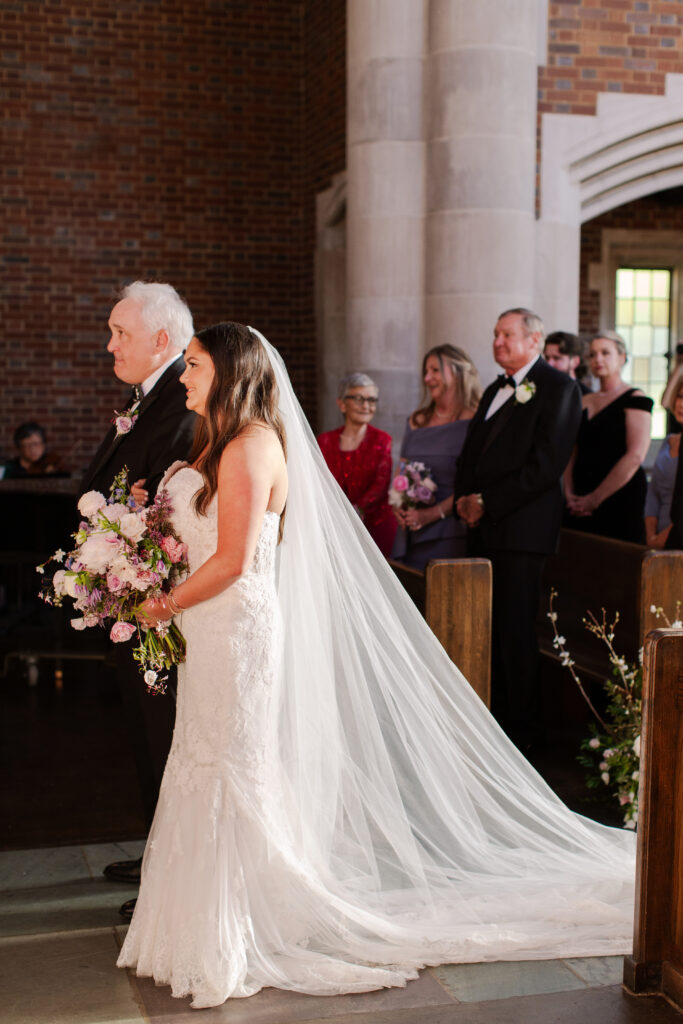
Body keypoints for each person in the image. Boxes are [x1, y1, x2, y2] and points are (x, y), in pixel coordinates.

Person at [117, 322, 634, 1009]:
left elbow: (236, 560)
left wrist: (161, 605)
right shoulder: (215, 444)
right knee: (202, 758)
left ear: (232, 375)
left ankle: (241, 918)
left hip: (235, 629)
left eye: (195, 365)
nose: (183, 377)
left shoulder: (250, 447)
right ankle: (197, 917)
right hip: (209, 628)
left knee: (230, 763)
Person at [81, 280, 197, 907]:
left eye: (119, 333)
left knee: (167, 737)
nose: (109, 345)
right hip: (133, 603)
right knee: (146, 735)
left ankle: (174, 877)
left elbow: (163, 512)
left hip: (162, 610)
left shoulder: (183, 406)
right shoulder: (145, 400)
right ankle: (161, 851)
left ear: (161, 340)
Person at [454, 309, 582, 751]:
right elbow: (472, 451)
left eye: (507, 335)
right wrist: (462, 497)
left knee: (514, 630)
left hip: (523, 533)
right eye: (494, 335)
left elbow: (547, 466)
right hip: (482, 528)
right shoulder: (495, 387)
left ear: (534, 339)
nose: (498, 342)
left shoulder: (560, 388)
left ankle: (521, 736)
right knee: (486, 628)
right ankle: (489, 723)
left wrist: (487, 501)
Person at [392, 345, 481, 571]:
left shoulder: (476, 422)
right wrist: (398, 506)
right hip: (411, 531)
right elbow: (402, 471)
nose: (427, 378)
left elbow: (473, 482)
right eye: (426, 371)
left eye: (435, 370)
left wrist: (431, 514)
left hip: (451, 531)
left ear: (458, 372)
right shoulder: (417, 420)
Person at [564, 331, 652, 544]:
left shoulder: (636, 399)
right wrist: (568, 493)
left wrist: (595, 499)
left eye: (605, 353)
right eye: (593, 354)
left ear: (622, 358)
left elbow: (635, 455)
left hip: (619, 495)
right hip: (579, 494)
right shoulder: (583, 399)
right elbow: (571, 449)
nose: (598, 359)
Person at [317, 373, 396, 556]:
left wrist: (354, 511)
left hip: (375, 525)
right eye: (359, 399)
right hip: (335, 524)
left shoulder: (382, 439)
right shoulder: (324, 441)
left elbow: (381, 485)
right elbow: (320, 482)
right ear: (342, 404)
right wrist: (337, 514)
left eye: (371, 400)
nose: (366, 406)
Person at [645, 375, 683, 548]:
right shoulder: (669, 441)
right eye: (680, 397)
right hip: (657, 536)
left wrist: (662, 539)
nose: (681, 404)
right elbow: (653, 493)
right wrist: (650, 535)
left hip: (676, 537)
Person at [2, 422, 68, 478]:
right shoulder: (9, 469)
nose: (32, 449)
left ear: (43, 444)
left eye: (36, 444)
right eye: (27, 445)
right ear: (19, 447)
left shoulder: (53, 463)